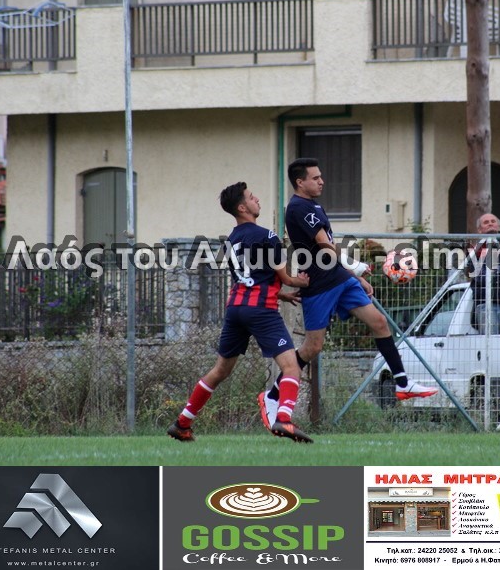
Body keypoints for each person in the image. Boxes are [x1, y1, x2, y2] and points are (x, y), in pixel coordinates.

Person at [259, 158, 437, 429]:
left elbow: (328, 247)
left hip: (339, 278)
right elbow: (324, 245)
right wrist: (355, 265)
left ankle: (403, 384)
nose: (321, 181)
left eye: (321, 176)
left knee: (379, 322)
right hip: (320, 285)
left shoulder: (313, 205)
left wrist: (354, 277)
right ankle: (272, 395)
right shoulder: (298, 207)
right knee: (312, 347)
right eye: (315, 178)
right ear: (300, 182)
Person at [167, 182, 313, 444]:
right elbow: (286, 277)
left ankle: (182, 423)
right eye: (251, 197)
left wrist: (280, 294)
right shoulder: (267, 236)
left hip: (236, 309)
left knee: (220, 370)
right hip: (261, 310)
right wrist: (299, 282)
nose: (257, 199)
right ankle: (284, 418)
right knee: (291, 367)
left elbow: (248, 278)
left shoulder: (231, 240)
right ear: (243, 207)